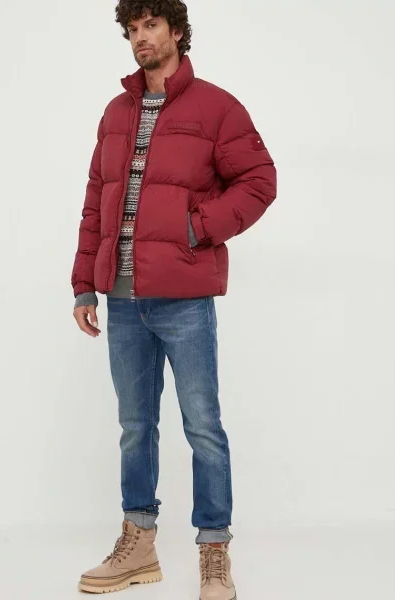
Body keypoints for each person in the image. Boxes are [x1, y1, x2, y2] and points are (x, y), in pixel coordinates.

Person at [71, 1, 277, 597]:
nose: (141, 38)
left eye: (151, 25)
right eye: (133, 29)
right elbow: (96, 200)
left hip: (184, 299)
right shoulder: (116, 112)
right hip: (122, 299)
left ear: (177, 32)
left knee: (203, 426)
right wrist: (84, 282)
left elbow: (259, 181)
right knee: (135, 426)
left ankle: (214, 552)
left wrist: (196, 227)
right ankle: (138, 544)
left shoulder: (217, 107)